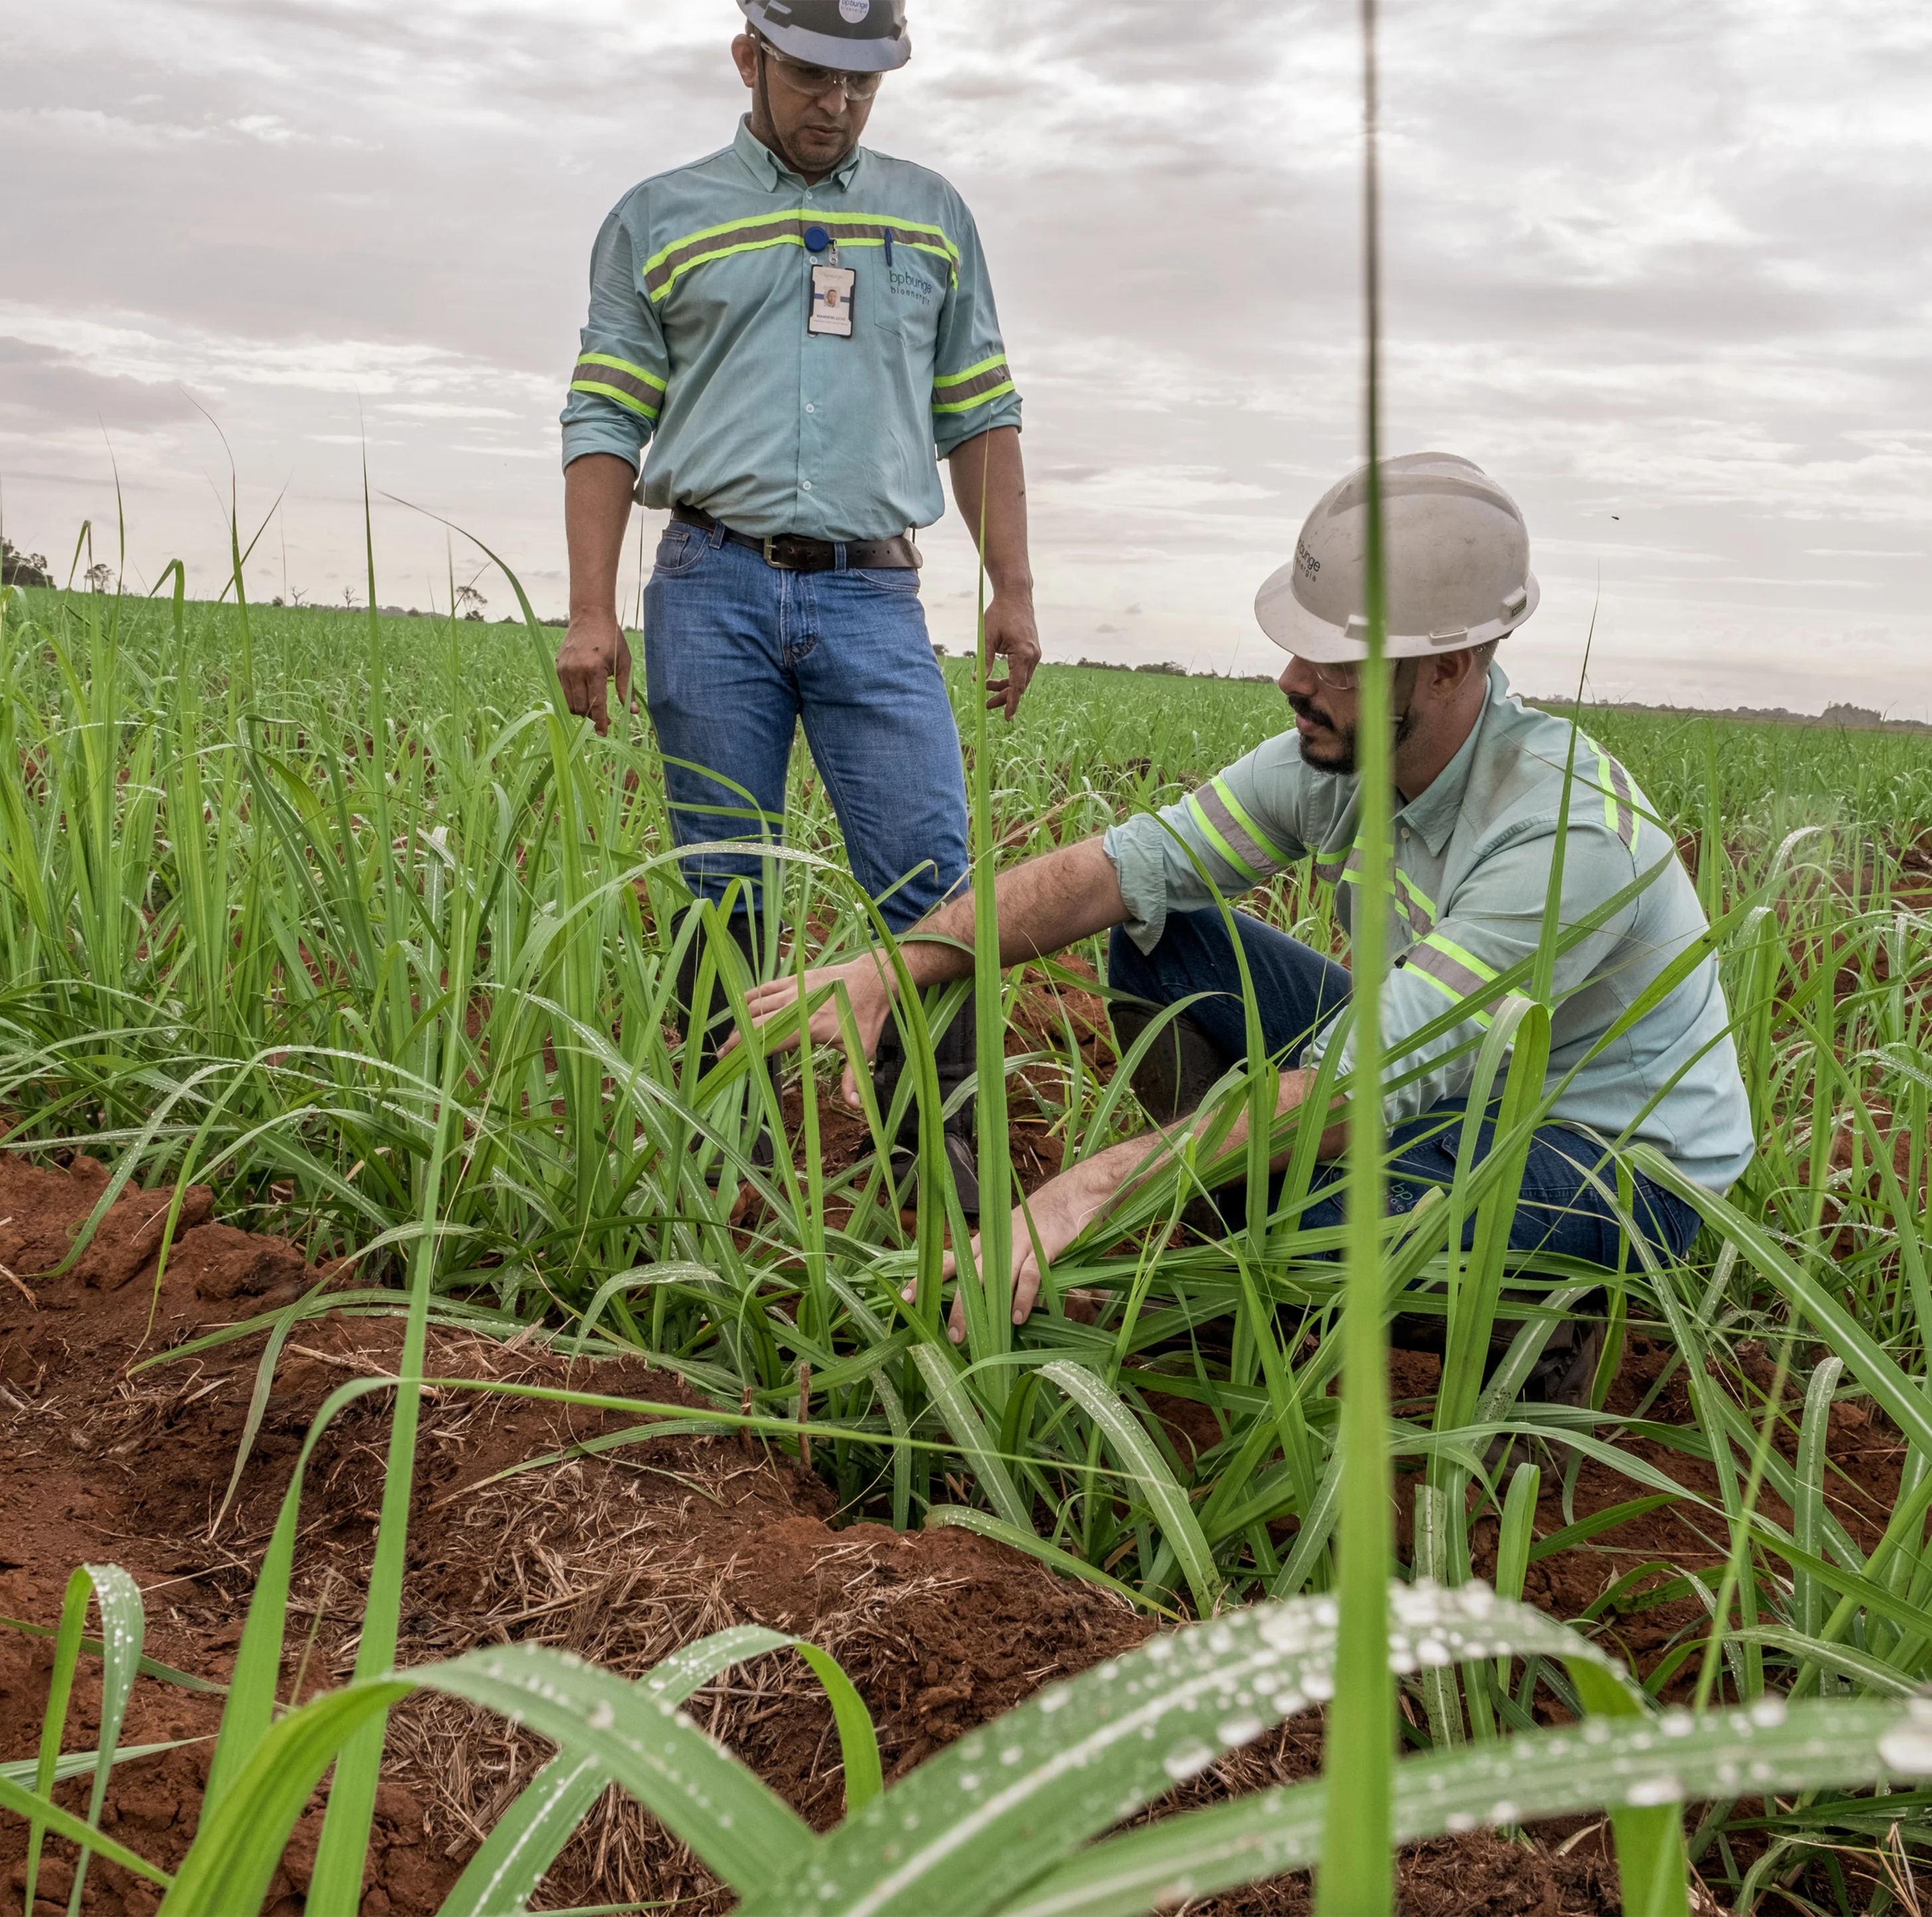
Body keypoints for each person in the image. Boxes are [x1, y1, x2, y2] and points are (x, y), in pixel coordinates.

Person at [739, 453, 1755, 1400]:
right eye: (1303, 647)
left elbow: (1357, 1086)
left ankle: (1536, 1320)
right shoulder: (1340, 753)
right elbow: (1111, 874)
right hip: (1439, 1075)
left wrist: (1079, 1195)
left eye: (1342, 661)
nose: (1294, 683)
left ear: (1452, 668)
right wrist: (895, 964)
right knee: (1159, 931)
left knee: (1316, 1227)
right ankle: (1241, 1233)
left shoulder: (1563, 832)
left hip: (1610, 1151)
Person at [555, 0, 1039, 1203]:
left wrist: (1013, 589)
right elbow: (607, 409)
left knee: (934, 885)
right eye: (814, 75)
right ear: (751, 60)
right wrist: (589, 607)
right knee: (725, 884)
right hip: (709, 585)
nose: (836, 103)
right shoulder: (658, 219)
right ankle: (731, 1176)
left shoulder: (931, 218)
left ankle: (948, 1175)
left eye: (863, 84)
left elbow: (978, 408)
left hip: (874, 596)